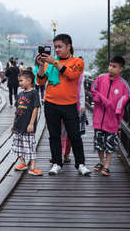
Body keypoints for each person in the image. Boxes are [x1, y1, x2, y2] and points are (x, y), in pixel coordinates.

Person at [36, 34, 91, 176]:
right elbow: (40, 82)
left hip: (69, 104)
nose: (57, 50)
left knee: (74, 135)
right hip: (51, 103)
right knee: (54, 135)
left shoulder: (77, 61)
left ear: (68, 47)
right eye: (55, 47)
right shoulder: (50, 63)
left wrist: (54, 62)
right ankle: (56, 163)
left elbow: (72, 75)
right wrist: (42, 65)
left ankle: (80, 164)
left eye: (60, 47)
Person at [91, 55, 130, 176]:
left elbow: (127, 96)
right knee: (99, 142)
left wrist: (118, 108)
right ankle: (101, 162)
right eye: (110, 65)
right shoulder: (100, 78)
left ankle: (107, 165)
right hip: (99, 117)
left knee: (109, 143)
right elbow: (93, 90)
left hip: (112, 119)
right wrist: (103, 100)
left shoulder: (123, 84)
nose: (111, 68)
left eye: (114, 67)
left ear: (120, 69)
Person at [11, 70, 43, 176]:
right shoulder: (20, 94)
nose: (19, 83)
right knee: (18, 145)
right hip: (18, 125)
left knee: (30, 146)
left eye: (21, 81)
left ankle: (32, 167)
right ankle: (23, 163)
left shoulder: (33, 93)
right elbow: (17, 110)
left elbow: (35, 108)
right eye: (19, 81)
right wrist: (13, 124)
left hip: (27, 125)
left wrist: (31, 123)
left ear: (29, 81)